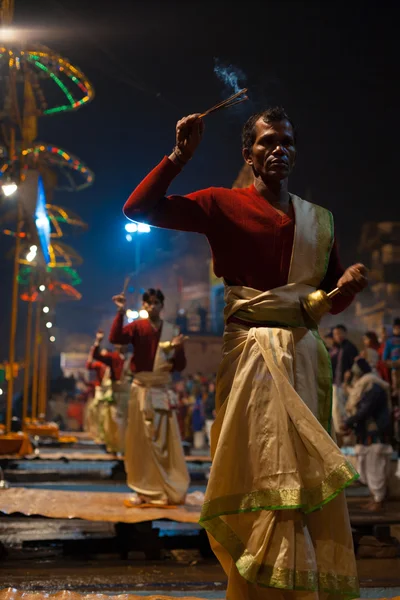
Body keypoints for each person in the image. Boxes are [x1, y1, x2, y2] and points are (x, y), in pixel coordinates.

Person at [123, 107, 368, 598]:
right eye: (268, 141)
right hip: (250, 358)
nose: (279, 149)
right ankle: (253, 585)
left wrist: (348, 286)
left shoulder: (317, 221)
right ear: (248, 155)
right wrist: (178, 157)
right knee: (258, 471)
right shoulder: (221, 204)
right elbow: (138, 209)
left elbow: (322, 305)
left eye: (287, 142)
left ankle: (300, 585)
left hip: (303, 359)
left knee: (302, 479)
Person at [109, 287, 190, 506]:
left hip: (162, 392)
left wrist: (179, 349)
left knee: (165, 443)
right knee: (141, 442)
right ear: (144, 305)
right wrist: (121, 311)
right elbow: (116, 337)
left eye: (156, 302)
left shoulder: (172, 331)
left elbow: (179, 366)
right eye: (148, 303)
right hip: (141, 390)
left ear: (162, 306)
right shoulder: (137, 327)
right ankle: (143, 489)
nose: (152, 306)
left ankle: (167, 488)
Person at [343, 358, 392, 512]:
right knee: (368, 466)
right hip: (369, 434)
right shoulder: (367, 387)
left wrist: (349, 422)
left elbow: (365, 410)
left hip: (376, 433)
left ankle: (378, 500)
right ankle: (375, 498)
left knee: (375, 467)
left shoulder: (374, 388)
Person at [91, 331, 131, 453]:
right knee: (114, 421)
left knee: (127, 423)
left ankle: (125, 447)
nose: (122, 346)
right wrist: (98, 341)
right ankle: (114, 446)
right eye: (119, 344)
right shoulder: (113, 358)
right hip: (115, 393)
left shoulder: (131, 359)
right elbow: (96, 356)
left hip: (128, 395)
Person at [329, 325, 359, 440]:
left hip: (346, 384)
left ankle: (346, 432)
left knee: (345, 408)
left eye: (340, 333)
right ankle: (339, 432)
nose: (338, 336)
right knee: (335, 408)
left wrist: (350, 373)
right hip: (335, 382)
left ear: (345, 333)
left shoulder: (350, 347)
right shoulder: (335, 349)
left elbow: (356, 365)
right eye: (336, 334)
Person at [384, 318, 400, 403]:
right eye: (396, 328)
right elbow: (385, 358)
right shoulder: (390, 341)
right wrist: (392, 363)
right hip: (394, 369)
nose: (397, 330)